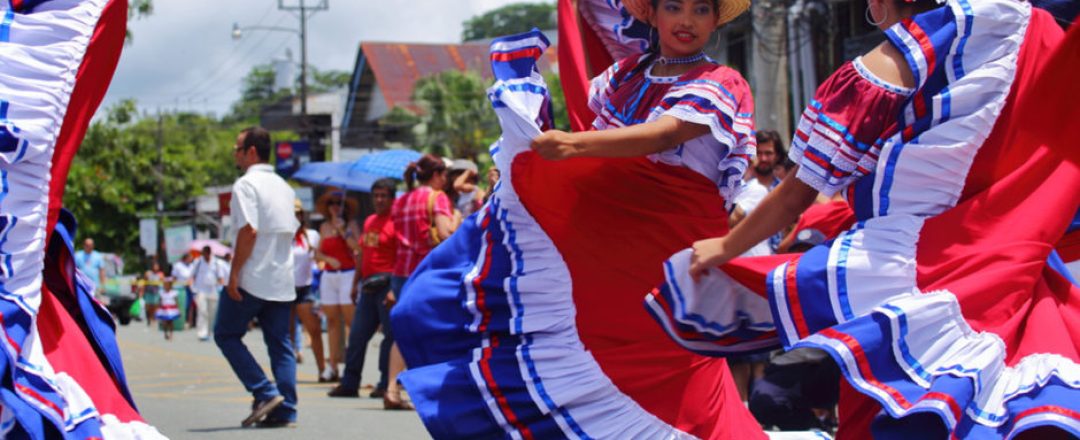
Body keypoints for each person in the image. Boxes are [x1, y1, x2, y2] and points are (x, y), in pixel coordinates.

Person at [649, 0, 1079, 438]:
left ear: (877, 4)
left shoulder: (900, 59)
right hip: (1019, 277)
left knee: (885, 409)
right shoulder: (1036, 33)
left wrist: (724, 247)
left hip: (913, 276)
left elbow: (797, 192)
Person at [391, 0, 762, 435]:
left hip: (672, 256)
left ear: (715, 19)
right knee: (595, 355)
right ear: (652, 14)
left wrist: (575, 147)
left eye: (701, 9)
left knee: (680, 373)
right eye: (674, 6)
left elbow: (670, 131)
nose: (686, 20)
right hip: (611, 251)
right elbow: (596, 136)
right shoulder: (625, 77)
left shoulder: (723, 81)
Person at [217, 126, 300, 428]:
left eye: (238, 148)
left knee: (225, 334)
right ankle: (286, 409)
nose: (235, 154)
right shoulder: (284, 186)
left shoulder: (246, 185)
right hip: (281, 277)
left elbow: (248, 230)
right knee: (280, 343)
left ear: (252, 152)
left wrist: (234, 274)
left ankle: (264, 391)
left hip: (254, 275)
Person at [329, 178, 398, 400]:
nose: (379, 199)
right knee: (357, 336)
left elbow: (403, 258)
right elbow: (362, 253)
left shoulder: (397, 222)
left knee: (389, 337)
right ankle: (350, 383)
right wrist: (354, 283)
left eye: (383, 195)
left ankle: (384, 384)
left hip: (387, 283)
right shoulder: (369, 221)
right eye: (376, 195)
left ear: (392, 198)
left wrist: (395, 288)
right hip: (367, 285)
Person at [314, 189, 362, 382]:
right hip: (329, 275)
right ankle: (332, 366)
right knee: (332, 323)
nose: (334, 206)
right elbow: (316, 254)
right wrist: (327, 259)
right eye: (331, 203)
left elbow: (358, 248)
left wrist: (344, 231)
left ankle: (350, 366)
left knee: (351, 323)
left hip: (348, 274)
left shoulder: (351, 225)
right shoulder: (324, 227)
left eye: (337, 203)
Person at [291, 199, 326, 381]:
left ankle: (322, 369)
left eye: (297, 213)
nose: (294, 217)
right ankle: (287, 374)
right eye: (291, 213)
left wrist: (319, 259)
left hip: (305, 288)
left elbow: (320, 259)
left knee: (314, 330)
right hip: (283, 290)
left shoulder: (311, 235)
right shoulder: (280, 236)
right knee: (286, 334)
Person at [190, 246, 224, 341]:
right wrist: (193, 288)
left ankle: (210, 332)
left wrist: (220, 288)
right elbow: (192, 276)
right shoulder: (198, 262)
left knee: (212, 312)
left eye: (208, 253)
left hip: (213, 291)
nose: (206, 255)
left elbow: (220, 277)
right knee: (202, 311)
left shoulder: (216, 263)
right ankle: (202, 333)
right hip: (201, 291)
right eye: (204, 253)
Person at [171, 253, 196, 329]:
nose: (191, 259)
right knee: (182, 305)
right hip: (180, 288)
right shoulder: (178, 265)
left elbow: (193, 276)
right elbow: (174, 277)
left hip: (190, 288)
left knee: (191, 306)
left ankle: (190, 322)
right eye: (190, 258)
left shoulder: (192, 266)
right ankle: (182, 321)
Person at [143, 261, 165, 327]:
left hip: (156, 292)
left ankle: (154, 319)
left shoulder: (160, 274)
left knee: (155, 306)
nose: (156, 267)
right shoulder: (148, 273)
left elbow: (162, 282)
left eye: (157, 266)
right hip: (149, 291)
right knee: (148, 306)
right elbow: (144, 282)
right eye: (155, 266)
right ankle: (149, 319)